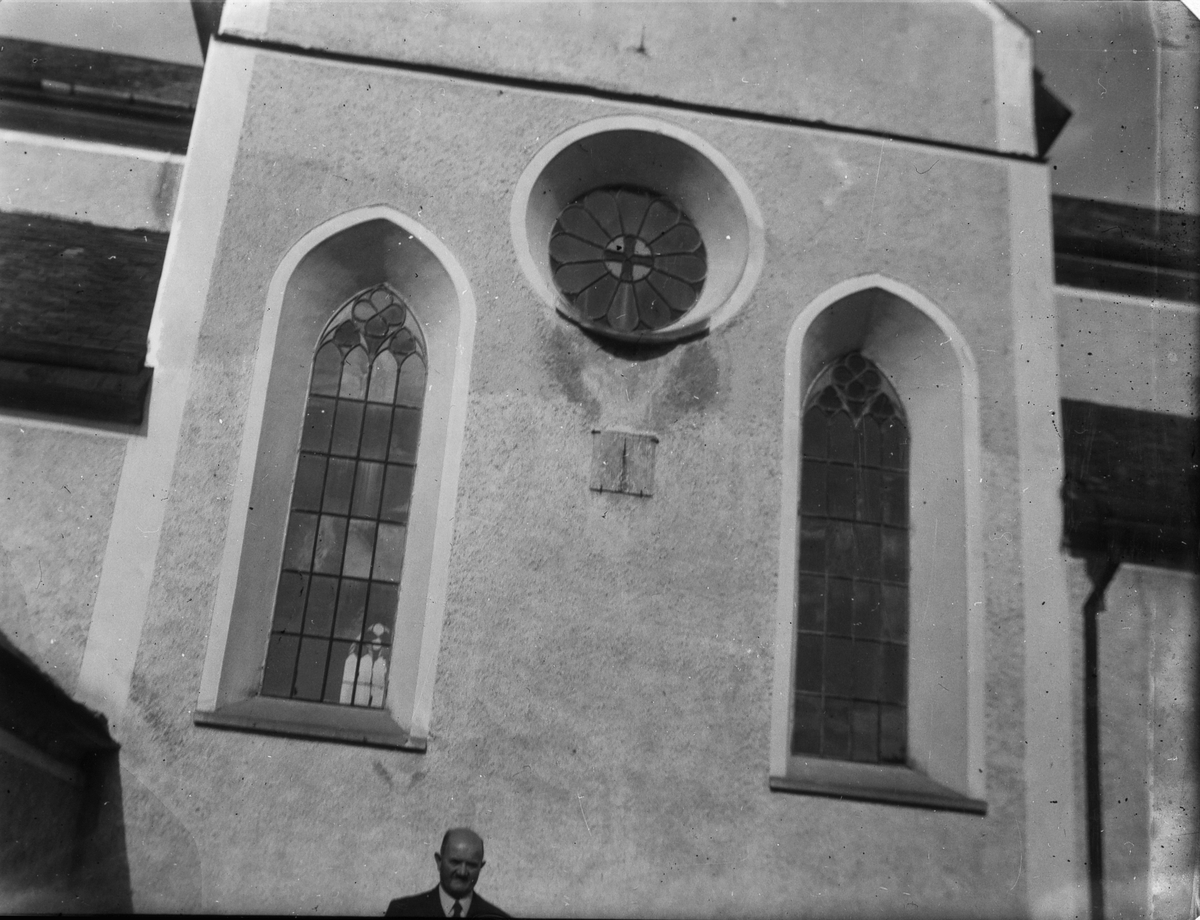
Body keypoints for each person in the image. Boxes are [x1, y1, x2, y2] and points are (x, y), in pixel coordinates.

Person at [385, 828, 509, 918]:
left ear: (481, 867)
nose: (462, 872)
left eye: (471, 865)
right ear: (439, 861)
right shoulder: (401, 912)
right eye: (455, 862)